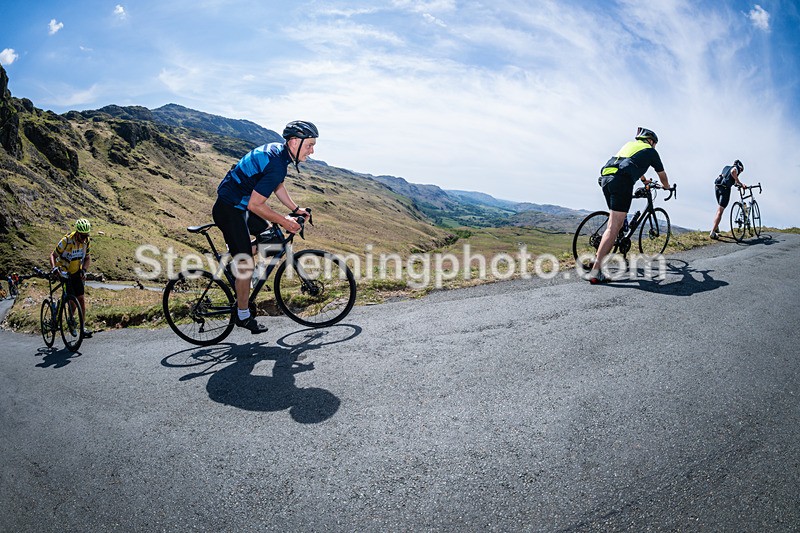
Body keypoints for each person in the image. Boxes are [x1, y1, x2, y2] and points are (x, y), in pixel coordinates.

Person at [212, 120, 316, 333]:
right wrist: (285, 221)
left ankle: (236, 261)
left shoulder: (279, 154)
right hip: (230, 209)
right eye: (309, 145)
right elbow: (256, 204)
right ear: (295, 142)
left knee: (272, 237)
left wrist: (295, 210)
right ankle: (243, 314)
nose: (312, 151)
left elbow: (277, 186)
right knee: (247, 264)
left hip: (242, 207)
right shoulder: (276, 163)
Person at [587, 127, 673, 284]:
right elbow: (662, 175)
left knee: (616, 222)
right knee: (614, 226)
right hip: (621, 181)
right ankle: (596, 269)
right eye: (654, 144)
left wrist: (643, 179)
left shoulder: (630, 145)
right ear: (651, 141)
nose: (654, 147)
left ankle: (598, 256)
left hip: (606, 178)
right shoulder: (651, 151)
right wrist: (667, 187)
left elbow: (629, 162)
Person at [50, 218, 93, 337]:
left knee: (81, 300)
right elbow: (53, 255)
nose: (84, 238)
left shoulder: (86, 242)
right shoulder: (67, 240)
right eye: (82, 235)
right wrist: (54, 268)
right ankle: (70, 320)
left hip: (76, 272)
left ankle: (82, 328)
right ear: (77, 232)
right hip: (64, 272)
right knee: (72, 300)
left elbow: (88, 258)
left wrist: (84, 270)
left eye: (86, 235)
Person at [709, 160, 746, 239]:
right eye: (741, 170)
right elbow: (733, 172)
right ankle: (712, 232)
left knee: (719, 208)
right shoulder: (735, 168)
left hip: (717, 187)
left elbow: (729, 177)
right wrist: (740, 183)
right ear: (740, 167)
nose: (740, 172)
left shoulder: (726, 167)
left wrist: (737, 183)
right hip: (725, 189)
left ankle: (716, 227)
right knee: (720, 210)